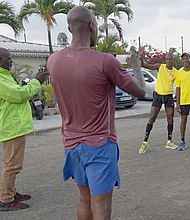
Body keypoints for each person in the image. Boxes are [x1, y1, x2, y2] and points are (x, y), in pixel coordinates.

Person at [47, 6, 145, 219]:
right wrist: (136, 65)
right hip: (99, 144)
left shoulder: (53, 61)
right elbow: (140, 90)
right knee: (101, 205)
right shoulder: (104, 61)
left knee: (84, 199)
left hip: (71, 144)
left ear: (70, 27)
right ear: (91, 26)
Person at [0, 48, 48, 211]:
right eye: (8, 59)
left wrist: (24, 84)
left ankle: (10, 192)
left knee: (13, 163)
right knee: (12, 165)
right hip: (11, 127)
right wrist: (36, 82)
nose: (11, 62)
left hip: (15, 126)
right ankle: (5, 199)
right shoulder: (0, 78)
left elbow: (15, 93)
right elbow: (18, 95)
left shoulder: (5, 76)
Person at [138, 52, 178, 154]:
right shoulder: (160, 67)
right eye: (167, 59)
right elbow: (146, 65)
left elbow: (179, 86)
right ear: (165, 60)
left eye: (170, 59)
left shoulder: (176, 72)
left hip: (168, 96)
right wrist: (142, 59)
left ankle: (169, 141)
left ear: (173, 60)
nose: (168, 61)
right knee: (152, 117)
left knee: (170, 118)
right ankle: (144, 143)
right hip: (158, 95)